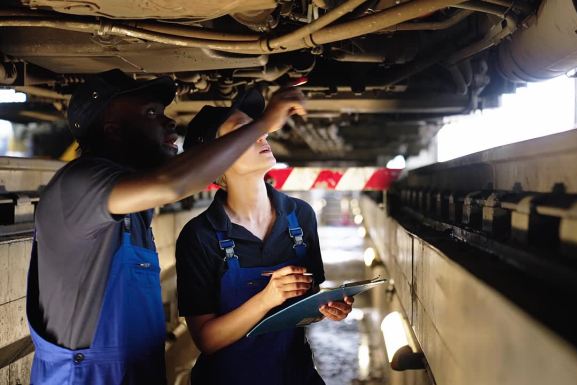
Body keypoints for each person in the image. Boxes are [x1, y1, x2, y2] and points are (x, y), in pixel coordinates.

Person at [26, 69, 306, 385]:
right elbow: (171, 183)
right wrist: (262, 124)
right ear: (113, 130)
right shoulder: (78, 184)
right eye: (151, 113)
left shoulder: (133, 213)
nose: (170, 121)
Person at [175, 88, 354, 385]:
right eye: (244, 132)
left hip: (295, 376)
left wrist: (327, 308)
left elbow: (306, 302)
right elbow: (206, 339)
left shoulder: (301, 215)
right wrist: (266, 299)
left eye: (257, 128)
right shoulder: (200, 236)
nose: (262, 135)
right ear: (218, 157)